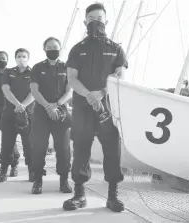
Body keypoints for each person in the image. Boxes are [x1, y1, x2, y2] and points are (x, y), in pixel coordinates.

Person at [62, 3, 128, 212]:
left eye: (99, 18)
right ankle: (79, 195)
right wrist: (90, 96)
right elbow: (72, 79)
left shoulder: (116, 49)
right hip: (82, 109)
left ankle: (112, 196)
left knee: (112, 151)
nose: (95, 22)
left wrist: (100, 94)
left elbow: (119, 76)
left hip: (108, 109)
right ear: (85, 22)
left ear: (106, 21)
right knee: (81, 151)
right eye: (91, 19)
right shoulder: (77, 49)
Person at [30, 37, 72, 194]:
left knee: (63, 148)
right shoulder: (37, 67)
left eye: (55, 46)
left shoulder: (67, 67)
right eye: (49, 47)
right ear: (44, 49)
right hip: (41, 112)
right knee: (39, 147)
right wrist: (48, 107)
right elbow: (34, 91)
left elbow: (69, 91)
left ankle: (64, 181)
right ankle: (38, 181)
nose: (52, 49)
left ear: (60, 49)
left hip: (61, 112)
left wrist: (57, 105)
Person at [0, 48, 35, 183]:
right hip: (9, 114)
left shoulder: (33, 73)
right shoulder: (8, 72)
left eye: (24, 56)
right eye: (19, 56)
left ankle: (32, 171)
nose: (21, 58)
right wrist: (18, 104)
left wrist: (23, 106)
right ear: (15, 58)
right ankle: (3, 171)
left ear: (28, 58)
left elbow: (34, 92)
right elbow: (6, 90)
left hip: (28, 115)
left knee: (29, 145)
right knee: (7, 145)